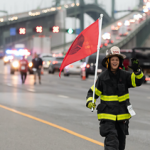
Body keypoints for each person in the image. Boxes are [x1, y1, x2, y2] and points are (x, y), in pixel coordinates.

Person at [86, 46, 145, 150]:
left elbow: (138, 81)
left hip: (122, 119)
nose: (115, 62)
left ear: (120, 62)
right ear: (108, 61)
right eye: (112, 59)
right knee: (112, 144)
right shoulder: (102, 78)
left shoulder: (125, 76)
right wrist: (90, 102)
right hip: (108, 118)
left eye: (117, 60)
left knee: (120, 146)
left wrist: (137, 71)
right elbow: (92, 93)